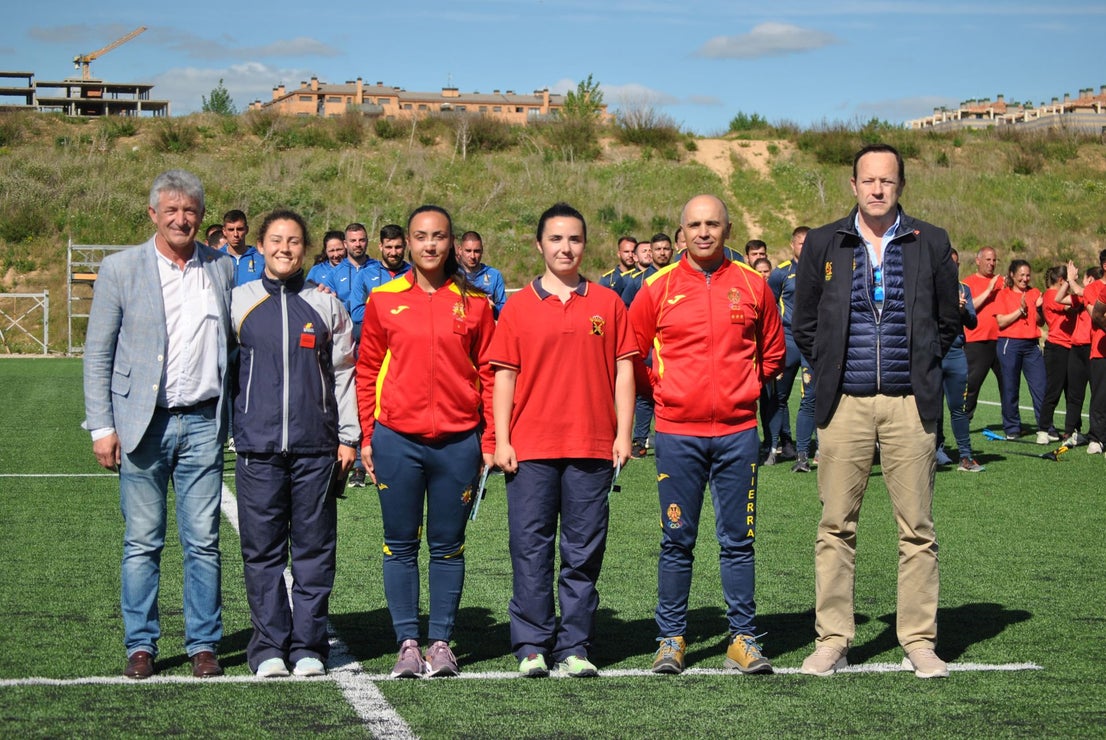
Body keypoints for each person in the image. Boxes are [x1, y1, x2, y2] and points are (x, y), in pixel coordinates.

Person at [792, 144, 959, 679]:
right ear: (854, 185)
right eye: (869, 180)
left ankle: (918, 640)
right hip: (844, 405)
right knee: (835, 527)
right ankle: (833, 640)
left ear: (900, 185)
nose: (878, 189)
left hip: (911, 405)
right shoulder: (824, 241)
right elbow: (806, 321)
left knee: (917, 531)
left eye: (887, 180)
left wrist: (923, 368)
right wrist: (828, 371)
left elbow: (947, 318)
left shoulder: (930, 241)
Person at [83, 169, 235, 680]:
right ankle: (141, 644)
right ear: (153, 215)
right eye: (170, 210)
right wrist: (102, 426)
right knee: (143, 541)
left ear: (201, 217)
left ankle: (203, 644)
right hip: (141, 426)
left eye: (189, 210)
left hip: (202, 424)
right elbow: (97, 354)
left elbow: (234, 347)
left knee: (203, 541)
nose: (180, 218)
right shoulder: (120, 268)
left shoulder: (222, 268)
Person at [629, 194, 785, 676]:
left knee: (739, 541)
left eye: (712, 224)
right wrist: (666, 392)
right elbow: (633, 355)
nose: (703, 232)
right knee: (676, 539)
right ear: (681, 232)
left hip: (738, 434)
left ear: (728, 229)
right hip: (677, 435)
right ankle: (671, 638)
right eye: (694, 225)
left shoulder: (755, 285)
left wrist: (746, 388)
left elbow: (774, 352)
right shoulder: (656, 287)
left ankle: (741, 637)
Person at [491, 202, 636, 678]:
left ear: (585, 244)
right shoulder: (518, 305)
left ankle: (574, 646)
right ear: (540, 245)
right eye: (555, 238)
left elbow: (623, 370)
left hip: (593, 446)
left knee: (583, 551)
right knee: (530, 549)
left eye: (574, 239)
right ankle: (532, 644)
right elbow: (504, 378)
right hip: (530, 449)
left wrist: (624, 433)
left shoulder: (608, 303)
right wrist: (502, 440)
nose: (565, 247)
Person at [356, 205, 495, 679]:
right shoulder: (382, 299)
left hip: (458, 444)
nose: (429, 244)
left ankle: (440, 642)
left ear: (452, 243)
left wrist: (489, 439)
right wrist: (368, 435)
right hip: (397, 441)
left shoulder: (477, 302)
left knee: (448, 545)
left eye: (438, 236)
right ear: (407, 244)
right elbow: (368, 369)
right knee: (399, 545)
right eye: (420, 236)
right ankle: (407, 643)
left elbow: (490, 376)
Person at [230, 210, 359, 678]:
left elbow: (345, 373)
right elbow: (224, 372)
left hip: (316, 449)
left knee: (314, 550)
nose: (285, 248)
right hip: (257, 448)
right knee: (261, 552)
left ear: (305, 249)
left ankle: (308, 646)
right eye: (276, 240)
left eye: (294, 241)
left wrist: (348, 437)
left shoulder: (326, 304)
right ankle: (267, 647)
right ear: (261, 246)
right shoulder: (238, 302)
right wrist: (234, 427)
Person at [767, 226, 816, 471]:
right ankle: (773, 447)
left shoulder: (824, 271)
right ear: (792, 245)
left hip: (813, 343)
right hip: (787, 342)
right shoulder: (781, 273)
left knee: (810, 397)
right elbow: (768, 304)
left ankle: (803, 454)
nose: (805, 248)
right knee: (779, 397)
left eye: (809, 244)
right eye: (800, 244)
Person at [936, 249, 984, 472]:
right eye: (948, 263)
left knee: (959, 408)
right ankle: (935, 450)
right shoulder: (929, 287)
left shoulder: (964, 289)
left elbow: (972, 323)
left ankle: (965, 456)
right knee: (933, 407)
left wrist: (962, 311)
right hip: (933, 354)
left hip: (955, 354)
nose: (952, 267)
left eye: (955, 263)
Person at [994, 260, 1046, 439]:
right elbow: (1000, 322)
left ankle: (1045, 427)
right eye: (1021, 275)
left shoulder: (1034, 292)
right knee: (1010, 387)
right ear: (1012, 275)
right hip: (1010, 344)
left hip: (1032, 345)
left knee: (1041, 386)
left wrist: (1039, 308)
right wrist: (1020, 311)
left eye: (1028, 275)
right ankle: (1012, 428)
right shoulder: (1003, 294)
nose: (1025, 279)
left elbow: (1040, 321)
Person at [962, 247, 1006, 423]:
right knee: (972, 384)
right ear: (978, 260)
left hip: (1002, 340)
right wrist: (989, 289)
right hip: (977, 341)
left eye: (994, 260)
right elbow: (968, 308)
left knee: (1008, 383)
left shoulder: (1002, 281)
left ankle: (1011, 423)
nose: (992, 263)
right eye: (988, 260)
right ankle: (964, 419)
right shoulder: (967, 283)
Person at [1081, 252, 1106, 456]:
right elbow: (1095, 316)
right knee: (1100, 396)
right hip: (1101, 349)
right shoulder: (1093, 289)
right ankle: (1097, 438)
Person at [456, 230, 508, 317]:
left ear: (482, 250)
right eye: (468, 251)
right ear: (460, 250)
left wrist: (493, 308)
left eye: (477, 251)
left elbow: (504, 310)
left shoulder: (494, 275)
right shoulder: (452, 274)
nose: (472, 256)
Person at [324, 222, 374, 310]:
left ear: (367, 241)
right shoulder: (333, 274)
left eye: (362, 240)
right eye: (353, 241)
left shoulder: (379, 269)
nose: (358, 244)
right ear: (345, 244)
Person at [220, 209, 262, 285]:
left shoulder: (261, 259)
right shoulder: (216, 259)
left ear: (247, 230)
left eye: (240, 229)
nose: (235, 234)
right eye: (231, 230)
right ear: (224, 231)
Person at [598, 235, 639, 306]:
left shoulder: (642, 276)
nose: (630, 255)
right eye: (626, 252)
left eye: (633, 252)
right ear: (619, 254)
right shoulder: (607, 279)